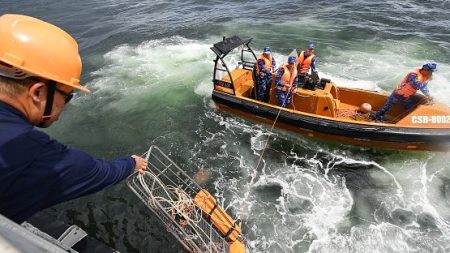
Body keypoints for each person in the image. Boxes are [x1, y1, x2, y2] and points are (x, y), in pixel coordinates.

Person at [0, 14, 148, 223]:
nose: (66, 105)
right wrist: (132, 163)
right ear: (38, 93)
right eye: (67, 95)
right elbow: (101, 172)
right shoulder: (35, 154)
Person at [372, 63, 437, 121]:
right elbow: (416, 85)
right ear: (425, 70)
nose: (431, 74)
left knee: (410, 109)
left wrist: (428, 95)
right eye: (431, 72)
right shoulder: (413, 74)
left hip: (407, 96)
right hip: (397, 94)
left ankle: (407, 122)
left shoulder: (425, 76)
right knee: (386, 108)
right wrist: (427, 80)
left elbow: (423, 88)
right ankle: (376, 117)